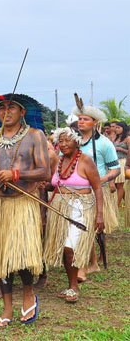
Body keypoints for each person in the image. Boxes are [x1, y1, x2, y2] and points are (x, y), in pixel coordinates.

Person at [0, 93, 50, 327]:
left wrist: (16, 174)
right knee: (1, 257)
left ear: (22, 112)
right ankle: (6, 308)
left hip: (22, 202)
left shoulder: (35, 136)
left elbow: (44, 171)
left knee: (21, 254)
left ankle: (28, 294)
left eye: (11, 107)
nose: (6, 112)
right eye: (1, 108)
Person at [43, 127, 104, 303]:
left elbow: (98, 187)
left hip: (80, 207)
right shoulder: (60, 161)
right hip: (59, 207)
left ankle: (74, 286)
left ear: (76, 141)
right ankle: (71, 284)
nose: (63, 144)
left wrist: (99, 215)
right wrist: (45, 186)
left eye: (67, 140)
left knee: (70, 247)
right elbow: (56, 183)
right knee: (64, 247)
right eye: (60, 141)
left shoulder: (86, 161)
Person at [73, 104, 120, 281]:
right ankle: (91, 262)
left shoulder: (104, 143)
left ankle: (91, 263)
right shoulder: (74, 141)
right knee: (83, 227)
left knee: (92, 228)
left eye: (86, 119)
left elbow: (115, 169)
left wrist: (101, 180)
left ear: (95, 122)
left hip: (97, 191)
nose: (81, 122)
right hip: (78, 192)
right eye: (80, 118)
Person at [112, 122, 129, 207]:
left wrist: (120, 149)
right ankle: (126, 201)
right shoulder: (115, 138)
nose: (116, 129)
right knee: (115, 184)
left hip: (123, 162)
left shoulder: (128, 138)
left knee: (119, 184)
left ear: (123, 128)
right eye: (116, 127)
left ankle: (117, 205)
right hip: (115, 162)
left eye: (118, 127)